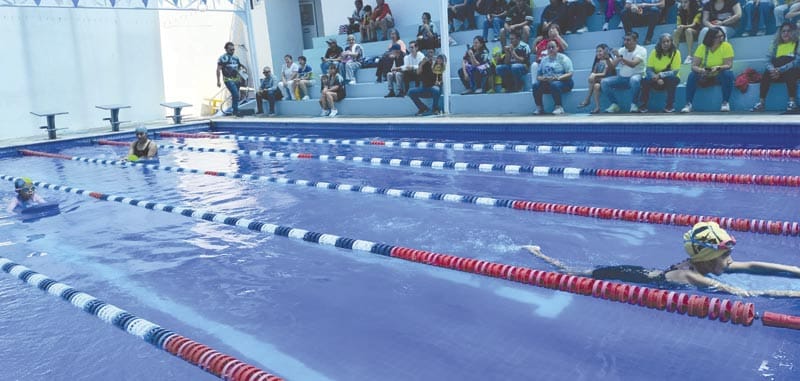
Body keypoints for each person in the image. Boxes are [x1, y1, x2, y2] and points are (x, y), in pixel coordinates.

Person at [522, 221, 800, 298]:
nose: (731, 259)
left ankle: (541, 255)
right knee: (571, 272)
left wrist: (796, 271)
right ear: (707, 257)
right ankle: (538, 254)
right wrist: (785, 294)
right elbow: (741, 293)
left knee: (576, 270)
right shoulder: (693, 275)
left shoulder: (709, 264)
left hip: (650, 272)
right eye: (725, 254)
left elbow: (752, 267)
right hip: (631, 275)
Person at [681, 26, 735, 113]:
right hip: (705, 76)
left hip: (719, 75)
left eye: (722, 36)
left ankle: (725, 102)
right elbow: (694, 66)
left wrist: (718, 68)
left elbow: (729, 65)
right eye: (718, 37)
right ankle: (688, 104)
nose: (721, 38)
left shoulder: (726, 46)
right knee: (692, 75)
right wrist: (702, 70)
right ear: (711, 37)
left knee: (727, 74)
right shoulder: (702, 47)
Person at [751, 22, 800, 112]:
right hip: (776, 72)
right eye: (783, 31)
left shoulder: (797, 43)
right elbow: (767, 59)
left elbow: (797, 61)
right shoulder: (775, 44)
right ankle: (761, 103)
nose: (785, 33)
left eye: (789, 31)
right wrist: (772, 69)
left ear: (794, 32)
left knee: (791, 72)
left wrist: (780, 70)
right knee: (766, 73)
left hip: (792, 70)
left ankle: (792, 102)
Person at [602, 31, 647, 113]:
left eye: (628, 40)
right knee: (604, 82)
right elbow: (612, 67)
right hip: (622, 78)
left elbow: (633, 64)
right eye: (624, 40)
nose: (625, 42)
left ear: (635, 41)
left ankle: (634, 104)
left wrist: (619, 57)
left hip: (638, 77)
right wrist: (607, 58)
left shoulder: (641, 50)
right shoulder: (622, 50)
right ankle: (614, 104)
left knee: (634, 80)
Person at [639, 33, 682, 113]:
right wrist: (656, 78)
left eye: (668, 41)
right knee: (645, 80)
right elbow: (649, 70)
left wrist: (660, 75)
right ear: (660, 43)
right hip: (656, 78)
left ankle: (669, 106)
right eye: (663, 42)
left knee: (671, 79)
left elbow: (675, 71)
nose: (666, 44)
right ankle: (642, 106)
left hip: (670, 77)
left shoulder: (676, 52)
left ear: (671, 42)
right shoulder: (654, 52)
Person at [531, 41, 574, 115]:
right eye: (549, 48)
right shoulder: (544, 60)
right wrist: (543, 79)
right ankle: (539, 108)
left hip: (564, 82)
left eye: (553, 47)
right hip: (548, 82)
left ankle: (559, 107)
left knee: (554, 84)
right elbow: (538, 76)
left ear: (557, 48)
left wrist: (558, 78)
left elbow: (570, 74)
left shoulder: (563, 58)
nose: (551, 49)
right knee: (535, 85)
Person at [578, 44, 615, 113]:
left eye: (600, 51)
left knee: (593, 78)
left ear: (605, 52)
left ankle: (587, 99)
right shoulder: (597, 62)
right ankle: (597, 107)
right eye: (597, 51)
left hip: (607, 80)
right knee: (596, 86)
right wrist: (593, 75)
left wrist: (594, 75)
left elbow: (604, 74)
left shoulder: (609, 60)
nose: (598, 53)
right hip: (599, 81)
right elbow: (594, 72)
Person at [408, 49, 445, 115]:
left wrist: (438, 83)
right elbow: (418, 72)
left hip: (434, 88)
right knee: (410, 92)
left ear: (434, 54)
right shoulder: (423, 63)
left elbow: (441, 79)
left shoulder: (438, 64)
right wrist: (422, 64)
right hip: (424, 88)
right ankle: (423, 108)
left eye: (431, 52)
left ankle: (435, 108)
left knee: (436, 89)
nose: (430, 54)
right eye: (428, 53)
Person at [216, 42, 247, 117]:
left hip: (236, 79)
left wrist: (244, 68)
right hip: (228, 79)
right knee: (235, 94)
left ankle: (234, 110)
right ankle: (235, 111)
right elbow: (218, 69)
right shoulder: (222, 58)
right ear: (226, 50)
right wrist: (218, 81)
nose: (232, 51)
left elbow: (239, 66)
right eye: (230, 50)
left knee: (236, 95)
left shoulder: (236, 57)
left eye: (233, 49)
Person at [673, 0, 702, 64]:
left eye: (685, 2)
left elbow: (694, 24)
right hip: (685, 30)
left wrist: (683, 26)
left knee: (688, 30)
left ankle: (690, 56)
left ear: (691, 2)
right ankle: (674, 56)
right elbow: (678, 24)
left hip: (696, 31)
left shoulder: (698, 10)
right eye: (682, 2)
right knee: (675, 31)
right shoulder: (680, 11)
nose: (683, 4)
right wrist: (679, 27)